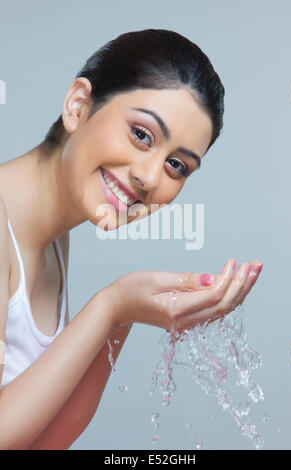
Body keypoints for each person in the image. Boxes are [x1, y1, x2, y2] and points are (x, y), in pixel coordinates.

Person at [0, 28, 263, 450]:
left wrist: (124, 317)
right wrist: (109, 305)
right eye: (142, 134)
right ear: (78, 105)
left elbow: (44, 442)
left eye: (177, 165)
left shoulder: (53, 241)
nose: (149, 176)